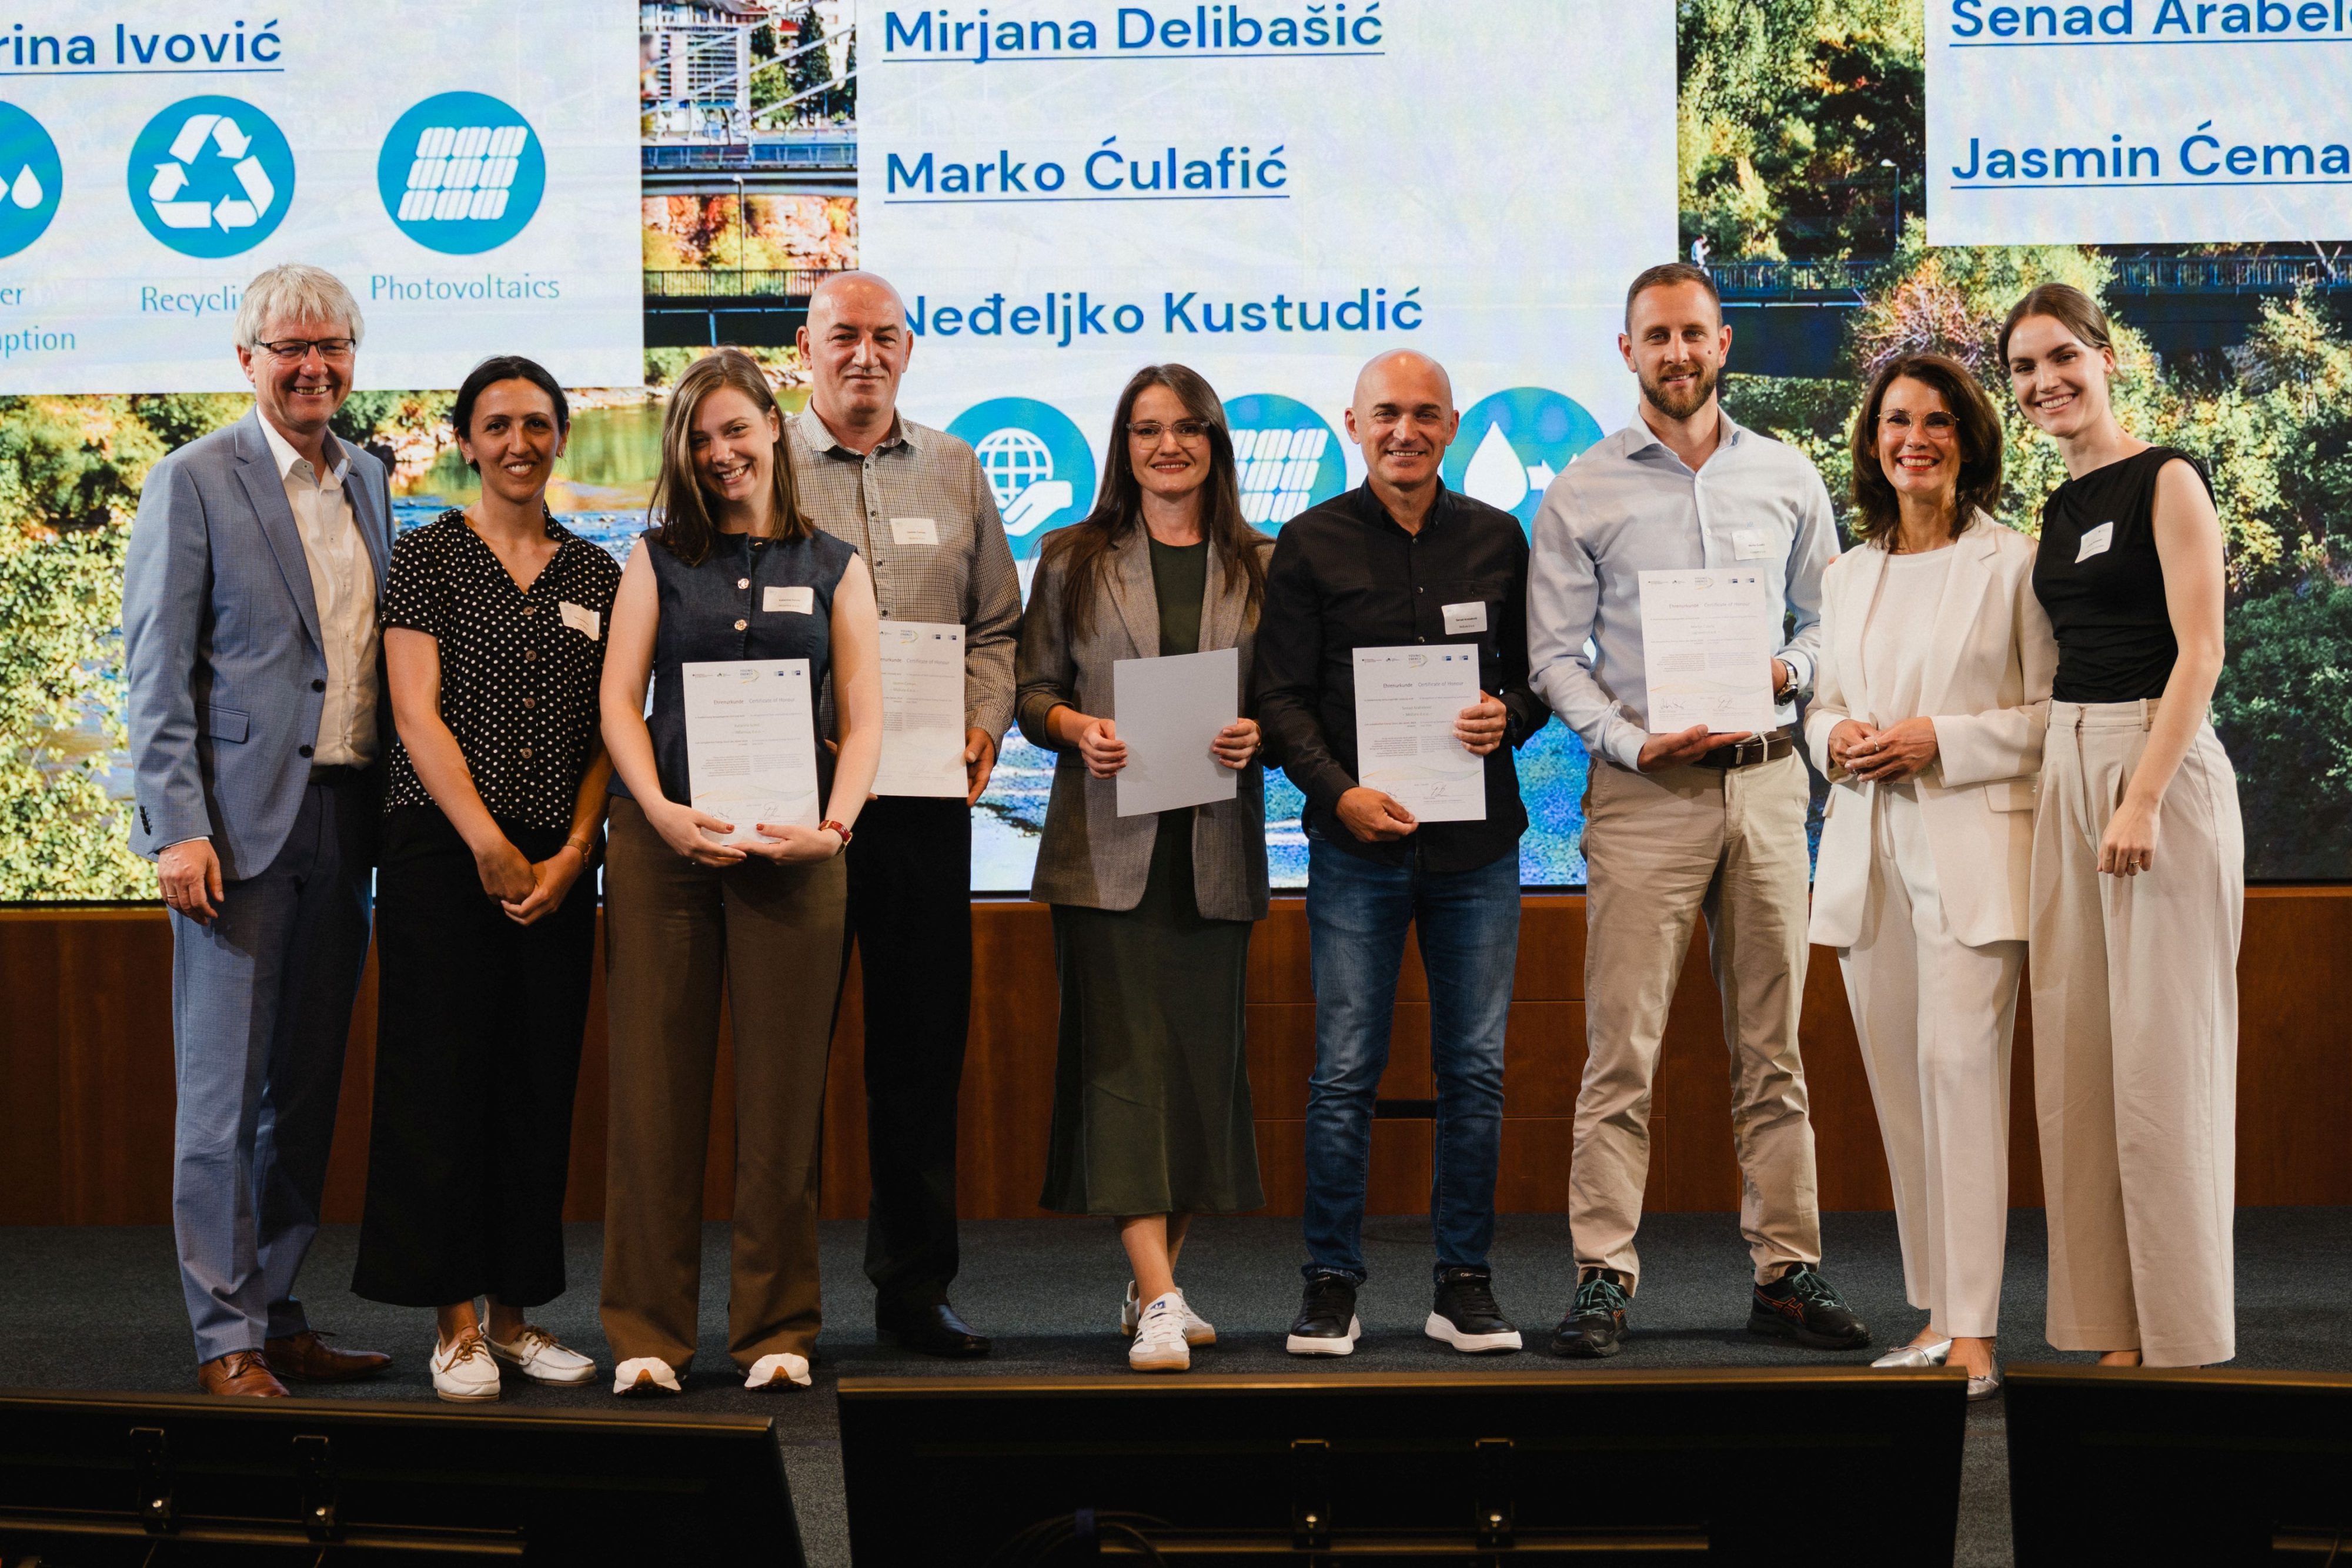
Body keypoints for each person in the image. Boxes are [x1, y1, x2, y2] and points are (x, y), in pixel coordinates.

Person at [1526, 260, 1869, 1359]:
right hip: (1645, 795)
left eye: (1693, 333)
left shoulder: (1786, 475)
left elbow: (1828, 621)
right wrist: (1630, 742)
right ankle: (1602, 1276)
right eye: (1656, 336)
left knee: (1773, 1051)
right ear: (1627, 350)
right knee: (1619, 1053)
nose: (1676, 352)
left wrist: (1786, 671)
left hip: (1768, 786)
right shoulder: (1583, 490)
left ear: (1724, 344)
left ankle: (1786, 1271)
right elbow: (1553, 658)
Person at [123, 263, 396, 1398]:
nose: (313, 366)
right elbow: (155, 675)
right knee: (222, 1101)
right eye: (291, 348)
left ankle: (277, 1311)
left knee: (307, 1092)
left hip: (347, 820)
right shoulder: (193, 479)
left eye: (332, 346)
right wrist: (176, 828)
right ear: (248, 360)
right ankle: (223, 1336)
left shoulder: (370, 477)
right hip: (233, 838)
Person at [597, 347, 883, 1396]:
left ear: (773, 425)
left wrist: (835, 830)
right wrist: (661, 813)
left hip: (795, 857)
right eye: (700, 439)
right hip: (663, 853)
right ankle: (646, 1335)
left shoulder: (836, 564)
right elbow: (619, 703)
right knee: (653, 1100)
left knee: (782, 1106)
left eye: (736, 430)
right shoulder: (654, 559)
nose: (721, 453)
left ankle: (776, 1332)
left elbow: (867, 721)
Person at [1255, 349, 1546, 1358]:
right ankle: (1331, 1283)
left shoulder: (1501, 537)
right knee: (1344, 1072)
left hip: (1478, 852)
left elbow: (1539, 677)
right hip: (1356, 851)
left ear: (1453, 425)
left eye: (1425, 414)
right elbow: (1279, 698)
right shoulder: (1309, 543)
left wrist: (1509, 714)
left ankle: (1463, 1283)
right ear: (1354, 423)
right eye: (1386, 414)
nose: (1405, 431)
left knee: (1475, 1072)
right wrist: (1339, 793)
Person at [350, 356, 620, 1401]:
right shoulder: (427, 557)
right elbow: (414, 715)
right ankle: (454, 1324)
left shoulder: (596, 574)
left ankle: (515, 1320)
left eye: (538, 424)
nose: (519, 443)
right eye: (498, 425)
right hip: (440, 848)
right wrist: (485, 842)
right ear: (466, 441)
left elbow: (609, 730)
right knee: (440, 1082)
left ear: (562, 437)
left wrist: (576, 850)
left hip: (558, 861)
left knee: (537, 1084)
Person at [1806, 353, 2057, 1402]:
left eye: (1939, 422)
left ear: (1970, 441)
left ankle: (1977, 1332)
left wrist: (1939, 740)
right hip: (1867, 859)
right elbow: (1822, 702)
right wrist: (1833, 739)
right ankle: (1936, 1313)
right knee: (1905, 1095)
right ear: (1874, 443)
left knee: (1961, 1079)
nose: (1916, 439)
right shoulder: (1846, 574)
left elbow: (2053, 718)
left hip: (1973, 859)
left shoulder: (2017, 563)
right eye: (1898, 421)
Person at [1015, 365, 1273, 1374]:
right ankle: (1162, 1298)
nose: (1169, 446)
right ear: (1123, 447)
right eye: (1147, 429)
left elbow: (1287, 699)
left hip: (1212, 853)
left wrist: (1261, 733)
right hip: (1107, 857)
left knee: (1199, 1081)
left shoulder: (1262, 562)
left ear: (1215, 441)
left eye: (1188, 427)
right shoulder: (1072, 557)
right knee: (1123, 1078)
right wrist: (1076, 727)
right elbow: (1033, 690)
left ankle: (1150, 1285)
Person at [2000, 283, 2240, 1369]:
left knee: (2161, 1060)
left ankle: (2179, 1330)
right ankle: (2108, 1320)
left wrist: (2141, 796)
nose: (2045, 381)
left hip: (2155, 768)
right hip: (2069, 759)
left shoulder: (2168, 477)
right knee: (2080, 1060)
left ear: (2107, 358)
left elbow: (2203, 651)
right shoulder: (2057, 510)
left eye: (2063, 357)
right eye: (2024, 367)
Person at [789, 272, 1022, 1358]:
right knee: (789, 1060)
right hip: (799, 806)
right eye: (844, 335)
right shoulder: (758, 462)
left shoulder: (956, 467)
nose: (865, 354)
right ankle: (777, 1304)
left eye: (885, 336)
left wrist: (985, 724)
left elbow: (997, 627)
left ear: (909, 350)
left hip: (926, 805)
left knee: (921, 1058)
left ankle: (915, 1292)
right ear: (807, 349)